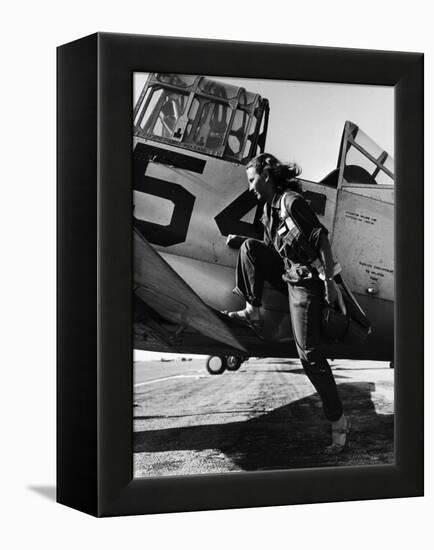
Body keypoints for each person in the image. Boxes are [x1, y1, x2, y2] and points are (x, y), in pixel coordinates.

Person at [226, 153, 351, 453]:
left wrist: (330, 285)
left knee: (308, 355)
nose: (251, 187)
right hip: (287, 274)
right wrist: (242, 238)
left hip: (306, 283)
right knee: (249, 248)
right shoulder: (268, 211)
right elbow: (271, 250)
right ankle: (253, 310)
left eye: (253, 180)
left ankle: (339, 421)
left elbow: (322, 240)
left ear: (267, 177)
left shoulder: (291, 202)